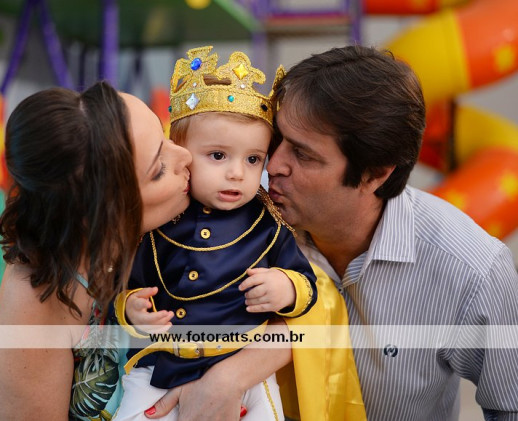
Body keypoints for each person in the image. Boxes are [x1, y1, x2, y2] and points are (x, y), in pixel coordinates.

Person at [144, 45, 518, 421]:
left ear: (374, 174)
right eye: (277, 140)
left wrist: (229, 379)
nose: (272, 165)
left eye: (303, 154)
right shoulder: (233, 215)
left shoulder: (473, 270)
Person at [112, 46, 318, 421]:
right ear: (180, 152)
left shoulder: (267, 224)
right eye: (218, 156)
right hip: (161, 363)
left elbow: (307, 284)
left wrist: (286, 287)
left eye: (253, 159)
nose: (237, 173)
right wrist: (131, 309)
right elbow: (126, 287)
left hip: (245, 368)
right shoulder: (160, 219)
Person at [0, 80, 192, 421]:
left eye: (164, 137)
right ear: (102, 211)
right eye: (159, 170)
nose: (186, 155)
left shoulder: (162, 224)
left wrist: (229, 377)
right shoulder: (33, 308)